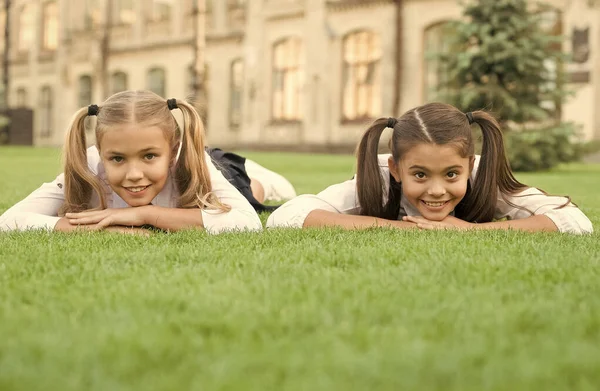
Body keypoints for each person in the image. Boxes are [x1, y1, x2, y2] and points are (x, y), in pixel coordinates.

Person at [266, 102, 593, 234]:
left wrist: (470, 231)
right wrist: (400, 228)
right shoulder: (380, 177)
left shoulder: (481, 177)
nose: (437, 190)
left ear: (469, 164)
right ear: (396, 168)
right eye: (419, 175)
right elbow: (286, 216)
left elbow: (573, 221)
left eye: (451, 174)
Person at [0, 90, 291, 234]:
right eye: (117, 159)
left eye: (148, 156)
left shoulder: (188, 159)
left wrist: (145, 215)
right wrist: (104, 229)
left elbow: (248, 223)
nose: (134, 174)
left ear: (171, 148)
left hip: (212, 167)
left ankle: (258, 179)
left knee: (250, 192)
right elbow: (8, 221)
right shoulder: (87, 166)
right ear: (100, 153)